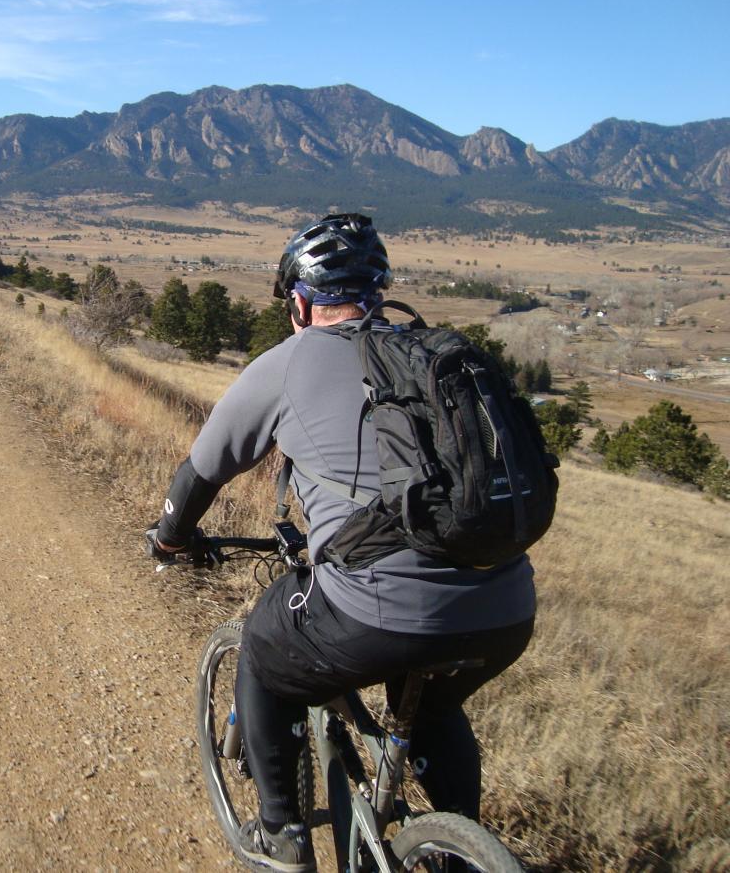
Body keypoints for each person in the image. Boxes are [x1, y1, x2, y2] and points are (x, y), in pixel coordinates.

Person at [147, 213, 535, 872]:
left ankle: (279, 836)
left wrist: (171, 539)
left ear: (298, 303)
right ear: (378, 294)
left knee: (266, 646)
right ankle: (459, 853)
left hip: (378, 610)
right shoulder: (432, 355)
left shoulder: (289, 362)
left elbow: (202, 471)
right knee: (436, 708)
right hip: (506, 604)